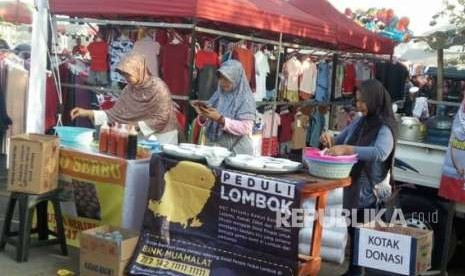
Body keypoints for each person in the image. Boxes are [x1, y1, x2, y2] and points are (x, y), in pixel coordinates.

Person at [320, 79, 397, 276]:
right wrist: (331, 139)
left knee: (364, 232)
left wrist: (348, 149)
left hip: (371, 189)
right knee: (354, 230)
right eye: (357, 101)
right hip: (355, 186)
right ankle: (354, 270)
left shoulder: (385, 125)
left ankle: (358, 271)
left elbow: (381, 152)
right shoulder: (360, 121)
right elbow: (341, 138)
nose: (358, 105)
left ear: (374, 99)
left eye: (362, 101)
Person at [70, 52, 179, 145]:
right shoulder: (129, 89)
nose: (126, 79)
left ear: (139, 70)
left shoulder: (158, 87)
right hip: (141, 140)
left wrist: (136, 126)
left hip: (163, 139)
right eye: (124, 76)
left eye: (128, 75)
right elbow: (115, 114)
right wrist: (87, 113)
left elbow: (161, 118)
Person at [192, 60, 256, 154]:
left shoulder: (245, 98)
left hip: (237, 152)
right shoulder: (219, 94)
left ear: (236, 78)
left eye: (227, 79)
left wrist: (221, 120)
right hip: (216, 150)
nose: (223, 82)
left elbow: (246, 127)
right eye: (221, 78)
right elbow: (208, 121)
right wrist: (203, 115)